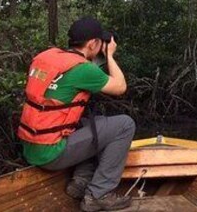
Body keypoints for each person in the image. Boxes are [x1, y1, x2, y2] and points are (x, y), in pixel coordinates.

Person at [17, 16, 135, 212]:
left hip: (30, 146)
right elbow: (120, 87)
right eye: (100, 43)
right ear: (93, 43)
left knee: (94, 123)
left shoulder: (48, 57)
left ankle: (80, 182)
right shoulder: (83, 70)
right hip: (50, 154)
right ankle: (99, 194)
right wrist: (110, 56)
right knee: (124, 124)